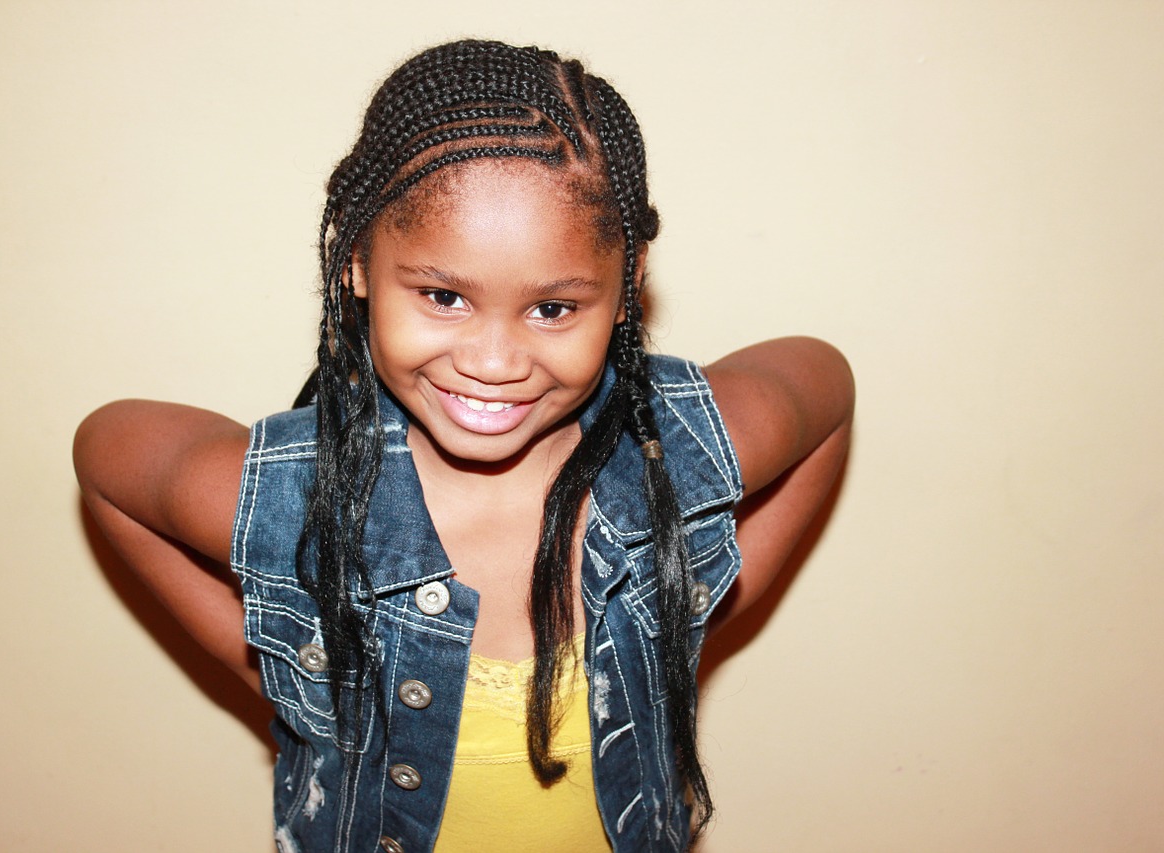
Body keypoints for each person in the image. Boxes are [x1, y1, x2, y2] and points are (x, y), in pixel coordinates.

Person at [73, 39, 853, 853]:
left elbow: (825, 387)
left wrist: (690, 619)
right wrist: (279, 668)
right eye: (444, 296)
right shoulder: (298, 502)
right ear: (359, 260)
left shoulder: (675, 452)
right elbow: (105, 456)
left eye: (553, 309)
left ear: (627, 285)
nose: (494, 362)